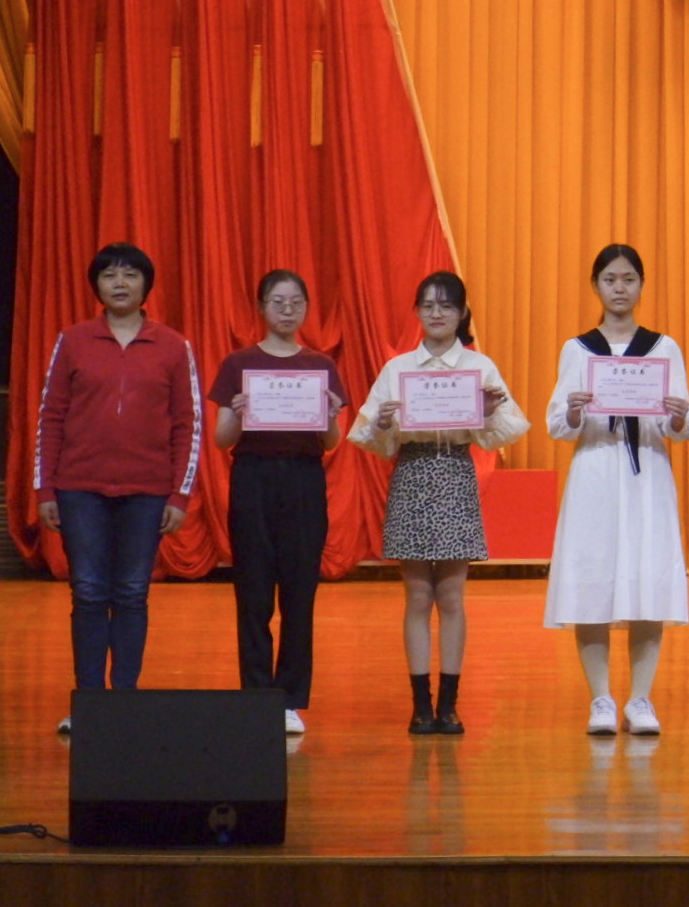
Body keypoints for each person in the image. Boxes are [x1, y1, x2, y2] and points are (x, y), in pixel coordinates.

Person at [350, 270, 529, 735]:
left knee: (451, 595)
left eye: (446, 305)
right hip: (412, 473)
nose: (436, 313)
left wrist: (487, 413)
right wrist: (383, 423)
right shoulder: (397, 370)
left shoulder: (479, 367)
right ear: (416, 311)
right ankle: (420, 705)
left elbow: (507, 429)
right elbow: (367, 434)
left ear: (462, 312)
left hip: (454, 472)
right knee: (416, 595)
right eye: (427, 305)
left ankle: (449, 704)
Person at [35, 243, 202, 733]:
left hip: (147, 490)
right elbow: (50, 416)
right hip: (79, 487)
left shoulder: (173, 346)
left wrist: (179, 495)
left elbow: (187, 424)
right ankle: (89, 704)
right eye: (109, 275)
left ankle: (125, 701)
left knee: (131, 593)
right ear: (97, 286)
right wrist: (45, 490)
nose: (120, 283)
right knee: (88, 593)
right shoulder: (73, 341)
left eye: (130, 274)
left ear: (146, 285)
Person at [544, 244, 689, 735]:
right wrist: (573, 410)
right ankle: (601, 700)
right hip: (594, 471)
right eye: (610, 279)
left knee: (647, 579)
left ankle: (640, 700)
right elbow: (557, 424)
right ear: (596, 285)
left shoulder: (662, 347)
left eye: (629, 279)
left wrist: (679, 415)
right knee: (592, 578)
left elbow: (684, 425)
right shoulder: (578, 349)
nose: (619, 288)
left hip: (646, 472)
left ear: (642, 285)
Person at [209, 270, 348, 736]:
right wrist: (239, 413)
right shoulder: (239, 363)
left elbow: (331, 441)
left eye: (296, 302)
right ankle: (256, 695)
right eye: (277, 302)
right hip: (252, 479)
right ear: (261, 308)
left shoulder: (320, 365)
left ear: (306, 308)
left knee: (299, 593)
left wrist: (329, 414)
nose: (287, 310)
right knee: (252, 592)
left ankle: (289, 699)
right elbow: (221, 438)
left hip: (304, 481)